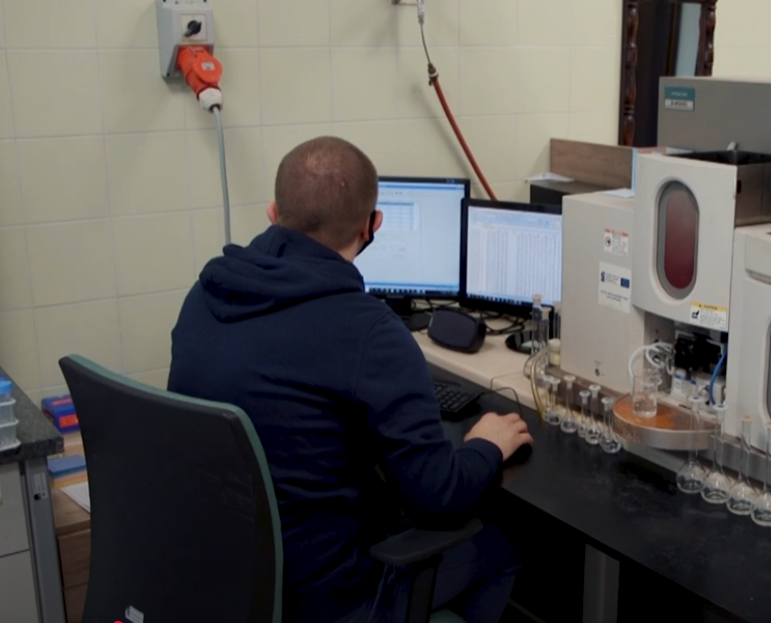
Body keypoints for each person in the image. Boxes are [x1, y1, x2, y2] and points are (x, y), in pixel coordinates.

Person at [167, 136, 531, 623]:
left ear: (273, 213)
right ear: (372, 225)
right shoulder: (369, 331)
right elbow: (438, 496)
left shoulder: (205, 295)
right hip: (332, 600)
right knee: (503, 544)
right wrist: (486, 444)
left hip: (226, 582)